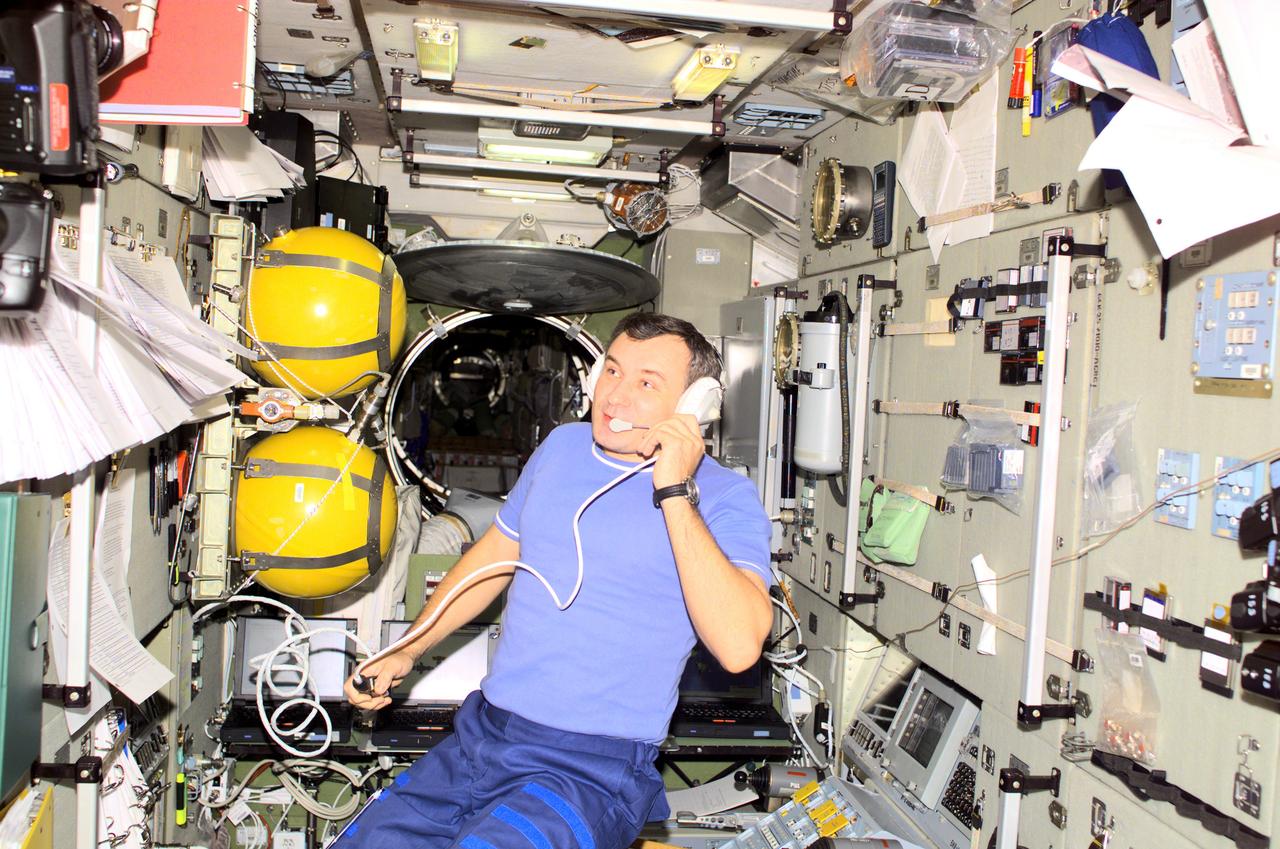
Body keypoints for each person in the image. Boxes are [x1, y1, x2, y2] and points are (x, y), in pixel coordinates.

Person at [337, 312, 774, 849]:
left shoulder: (726, 498)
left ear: (695, 405)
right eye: (610, 371)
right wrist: (409, 648)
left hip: (590, 769)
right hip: (485, 737)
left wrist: (675, 491)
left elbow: (738, 646)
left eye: (645, 383)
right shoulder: (563, 448)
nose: (614, 397)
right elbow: (494, 556)